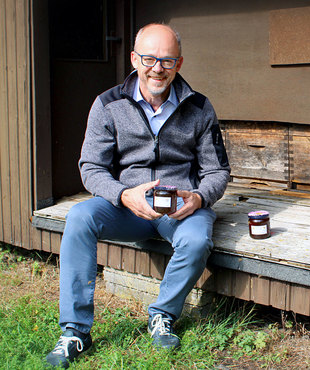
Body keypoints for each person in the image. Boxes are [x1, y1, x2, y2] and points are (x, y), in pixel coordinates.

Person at [45, 23, 230, 368]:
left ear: (179, 62)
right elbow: (91, 168)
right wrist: (123, 194)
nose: (157, 68)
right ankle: (75, 331)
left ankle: (162, 315)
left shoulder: (200, 107)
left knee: (196, 240)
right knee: (79, 218)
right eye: (148, 58)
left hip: (180, 209)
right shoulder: (108, 104)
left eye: (167, 60)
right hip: (127, 208)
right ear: (134, 58)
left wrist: (199, 198)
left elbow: (218, 171)